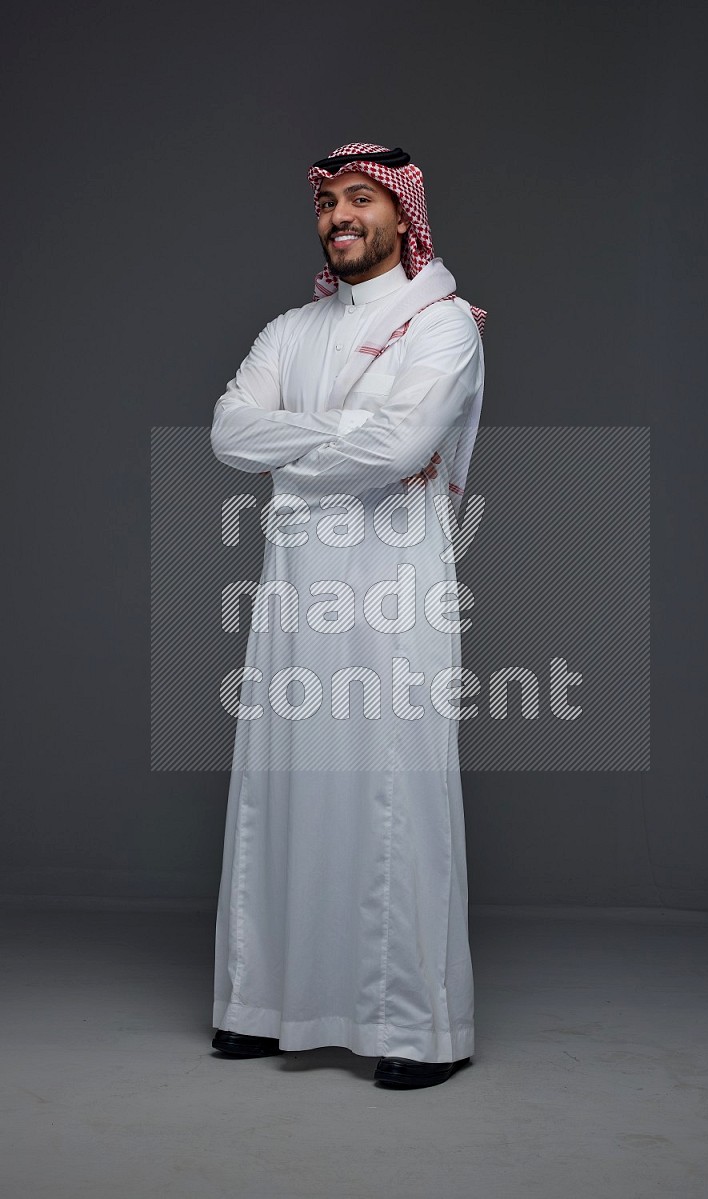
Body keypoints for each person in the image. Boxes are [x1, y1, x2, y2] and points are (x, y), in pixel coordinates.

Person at [209, 141, 486, 1089]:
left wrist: (296, 458)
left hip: (394, 585)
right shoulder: (290, 330)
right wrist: (344, 443)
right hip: (294, 590)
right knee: (279, 785)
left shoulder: (444, 328)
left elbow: (406, 442)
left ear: (402, 213)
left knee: (391, 792)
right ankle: (260, 1005)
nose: (339, 216)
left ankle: (412, 1028)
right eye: (327, 201)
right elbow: (228, 429)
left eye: (359, 198)